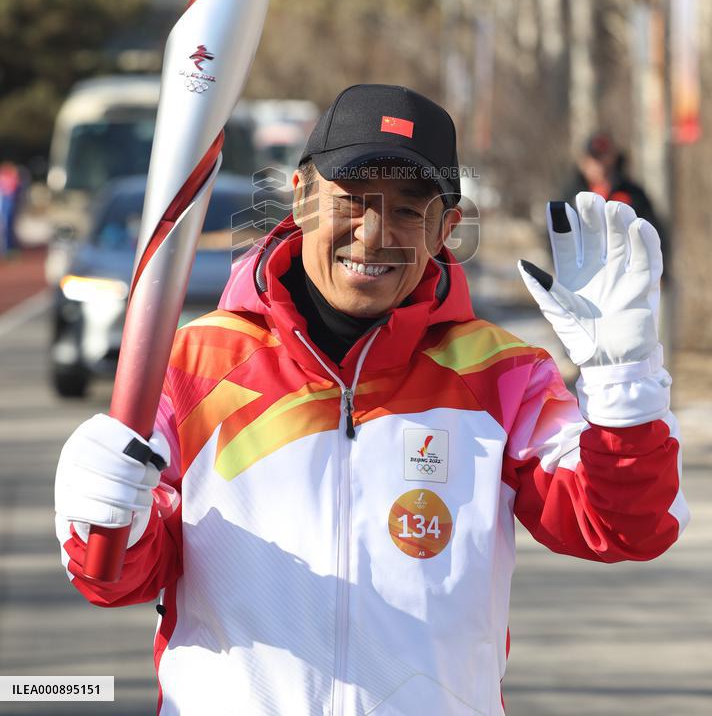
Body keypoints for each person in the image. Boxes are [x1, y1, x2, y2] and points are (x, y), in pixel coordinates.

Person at [54, 85, 687, 716]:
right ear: (302, 197)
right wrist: (100, 514)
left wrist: (623, 384)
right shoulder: (195, 365)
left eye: (411, 211)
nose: (376, 234)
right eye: (353, 200)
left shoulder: (501, 377)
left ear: (446, 229)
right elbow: (115, 577)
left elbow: (621, 528)